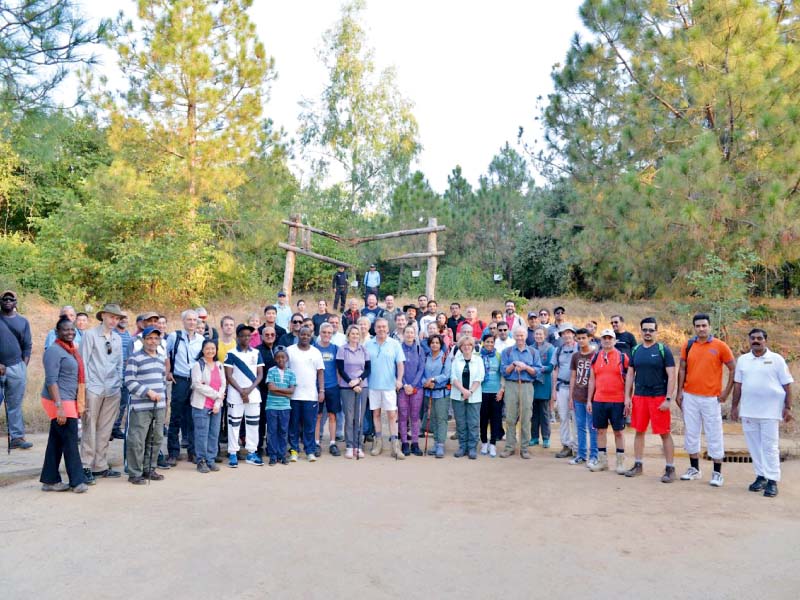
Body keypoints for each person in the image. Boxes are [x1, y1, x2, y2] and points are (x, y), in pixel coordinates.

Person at [732, 329, 794, 498]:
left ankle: (772, 481)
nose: (756, 341)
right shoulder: (743, 360)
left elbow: (787, 385)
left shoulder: (776, 360)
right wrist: (734, 407)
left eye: (759, 338)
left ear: (766, 340)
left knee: (770, 447)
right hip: (749, 411)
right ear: (749, 340)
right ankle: (761, 476)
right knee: (754, 447)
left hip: (770, 411)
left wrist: (788, 408)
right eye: (753, 338)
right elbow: (737, 385)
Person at [676, 313, 735, 487]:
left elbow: (732, 368)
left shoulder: (720, 346)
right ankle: (694, 469)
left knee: (714, 433)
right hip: (690, 396)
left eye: (704, 325)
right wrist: (679, 392)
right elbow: (682, 369)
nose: (701, 329)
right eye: (698, 326)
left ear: (710, 327)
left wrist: (726, 392)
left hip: (711, 398)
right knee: (691, 433)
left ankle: (717, 473)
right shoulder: (688, 345)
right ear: (694, 327)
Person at [624, 317, 677, 482]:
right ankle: (638, 465)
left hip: (658, 397)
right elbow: (630, 374)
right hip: (639, 397)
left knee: (664, 433)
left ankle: (670, 468)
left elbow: (671, 375)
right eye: (645, 330)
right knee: (639, 431)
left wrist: (668, 398)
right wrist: (627, 396)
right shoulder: (636, 350)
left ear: (656, 331)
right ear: (640, 331)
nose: (647, 333)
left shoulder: (663, 350)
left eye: (651, 330)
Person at [39, 317, 88, 493]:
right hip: (58, 400)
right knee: (70, 440)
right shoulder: (53, 351)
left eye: (72, 329)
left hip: (68, 399)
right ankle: (77, 481)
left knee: (57, 441)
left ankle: (50, 480)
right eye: (65, 330)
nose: (70, 332)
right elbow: (51, 380)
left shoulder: (70, 350)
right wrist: (59, 406)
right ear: (57, 332)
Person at [79, 303, 124, 483]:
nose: (114, 320)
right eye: (111, 316)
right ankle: (85, 465)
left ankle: (100, 465)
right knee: (90, 426)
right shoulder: (90, 335)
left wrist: (118, 382)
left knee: (105, 429)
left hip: (112, 389)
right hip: (94, 387)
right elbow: (83, 362)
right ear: (103, 316)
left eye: (117, 318)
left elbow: (120, 363)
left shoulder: (118, 339)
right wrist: (88, 386)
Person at [125, 326, 168, 484]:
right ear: (143, 340)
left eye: (156, 338)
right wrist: (147, 392)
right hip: (141, 406)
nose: (153, 341)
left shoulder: (161, 357)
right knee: (137, 440)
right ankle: (135, 473)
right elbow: (129, 381)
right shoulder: (135, 358)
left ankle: (149, 468)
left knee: (156, 438)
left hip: (159, 405)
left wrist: (162, 399)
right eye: (149, 338)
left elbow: (163, 381)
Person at [586, 329, 630, 474]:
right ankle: (602, 462)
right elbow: (592, 380)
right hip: (599, 400)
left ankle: (620, 462)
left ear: (615, 340)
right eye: (604, 338)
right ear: (601, 340)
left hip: (617, 401)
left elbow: (630, 380)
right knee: (600, 431)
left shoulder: (623, 357)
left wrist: (628, 400)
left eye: (610, 338)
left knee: (619, 432)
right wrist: (589, 400)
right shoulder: (595, 357)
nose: (607, 340)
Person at [165, 309, 204, 466]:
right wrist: (168, 372)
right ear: (183, 321)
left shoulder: (201, 339)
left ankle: (193, 452)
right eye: (189, 319)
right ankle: (173, 453)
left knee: (193, 417)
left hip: (195, 382)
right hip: (179, 380)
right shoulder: (174, 337)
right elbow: (166, 355)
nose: (192, 322)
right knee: (176, 417)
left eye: (194, 320)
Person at [224, 324, 265, 467]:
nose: (246, 338)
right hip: (235, 395)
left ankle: (252, 453)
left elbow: (260, 374)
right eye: (243, 335)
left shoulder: (256, 353)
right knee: (234, 424)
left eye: (249, 335)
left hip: (253, 394)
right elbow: (228, 375)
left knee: (253, 424)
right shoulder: (231, 354)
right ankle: (233, 453)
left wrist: (249, 390)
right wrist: (241, 391)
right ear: (238, 337)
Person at [365, 318, 405, 458]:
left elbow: (400, 364)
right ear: (374, 329)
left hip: (389, 386)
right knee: (375, 414)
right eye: (378, 327)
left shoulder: (395, 344)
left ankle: (395, 445)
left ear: (388, 328)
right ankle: (378, 443)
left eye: (384, 327)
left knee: (392, 415)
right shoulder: (368, 344)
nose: (381, 329)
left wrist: (399, 380)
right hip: (373, 385)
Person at [500, 326, 542, 459]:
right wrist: (513, 365)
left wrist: (525, 367)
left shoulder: (533, 352)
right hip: (511, 385)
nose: (519, 338)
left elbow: (537, 371)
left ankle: (524, 448)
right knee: (510, 417)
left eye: (522, 335)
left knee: (526, 417)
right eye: (517, 335)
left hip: (527, 386)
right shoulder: (507, 352)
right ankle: (509, 447)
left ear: (525, 336)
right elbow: (503, 371)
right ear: (514, 336)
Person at [0, 290, 33, 449]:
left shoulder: (23, 322)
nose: (7, 300)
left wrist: (22, 366)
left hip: (16, 367)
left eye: (11, 298)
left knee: (14, 404)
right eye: (4, 298)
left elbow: (27, 346)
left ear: (15, 303)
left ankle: (17, 438)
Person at [287, 326, 325, 462]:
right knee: (293, 425)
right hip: (293, 395)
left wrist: (321, 391)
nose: (305, 337)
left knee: (310, 425)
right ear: (298, 334)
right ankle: (294, 451)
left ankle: (310, 451)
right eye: (303, 334)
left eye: (308, 335)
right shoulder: (290, 351)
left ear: (311, 336)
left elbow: (320, 372)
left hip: (310, 395)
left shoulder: (316, 352)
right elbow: (285, 370)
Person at [191, 339, 226, 474]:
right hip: (201, 405)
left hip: (216, 406)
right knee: (201, 434)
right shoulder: (198, 365)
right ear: (203, 350)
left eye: (213, 348)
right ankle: (201, 460)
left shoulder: (219, 365)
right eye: (207, 348)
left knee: (213, 434)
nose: (210, 351)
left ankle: (211, 460)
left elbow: (223, 385)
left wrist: (217, 402)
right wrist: (216, 395)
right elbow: (197, 385)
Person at [336, 325, 371, 459]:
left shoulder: (364, 350)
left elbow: (368, 369)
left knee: (359, 418)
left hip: (362, 386)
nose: (355, 336)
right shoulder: (342, 349)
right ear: (348, 335)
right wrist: (351, 383)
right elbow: (340, 369)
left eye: (357, 334)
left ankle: (358, 446)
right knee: (349, 417)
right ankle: (350, 446)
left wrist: (359, 380)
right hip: (347, 386)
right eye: (352, 333)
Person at [450, 335, 485, 459]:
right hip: (457, 395)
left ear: (472, 346)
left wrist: (470, 391)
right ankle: (462, 446)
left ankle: (472, 448)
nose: (467, 347)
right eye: (464, 345)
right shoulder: (456, 360)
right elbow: (453, 378)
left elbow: (480, 377)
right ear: (460, 347)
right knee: (461, 422)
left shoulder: (478, 360)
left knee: (473, 422)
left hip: (474, 396)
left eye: (469, 345)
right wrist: (463, 390)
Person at [570, 328, 598, 467]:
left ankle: (594, 455)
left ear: (589, 338)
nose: (581, 341)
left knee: (592, 427)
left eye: (583, 338)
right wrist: (571, 397)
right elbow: (573, 376)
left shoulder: (595, 355)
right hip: (578, 395)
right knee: (580, 426)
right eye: (578, 338)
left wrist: (592, 398)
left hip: (592, 397)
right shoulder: (575, 356)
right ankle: (581, 455)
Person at [551, 323, 579, 458]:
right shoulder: (558, 350)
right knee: (563, 417)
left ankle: (578, 447)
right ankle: (566, 445)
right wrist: (553, 391)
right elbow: (555, 370)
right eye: (564, 333)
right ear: (561, 336)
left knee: (576, 418)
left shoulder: (580, 348)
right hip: (562, 387)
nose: (567, 335)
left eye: (569, 332)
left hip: (577, 388)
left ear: (574, 334)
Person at [398, 325, 426, 456]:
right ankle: (404, 443)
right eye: (407, 332)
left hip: (417, 388)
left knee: (415, 417)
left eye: (411, 332)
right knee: (403, 416)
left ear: (415, 334)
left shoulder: (420, 349)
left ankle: (415, 443)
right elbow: (396, 368)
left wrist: (413, 385)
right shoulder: (398, 348)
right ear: (403, 334)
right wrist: (404, 385)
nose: (409, 335)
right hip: (402, 389)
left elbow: (421, 369)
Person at [314, 323, 341, 456]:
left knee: (332, 415)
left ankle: (332, 443)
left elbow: (338, 368)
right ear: (320, 333)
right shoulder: (314, 348)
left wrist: (338, 385)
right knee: (318, 416)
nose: (326, 335)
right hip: (317, 387)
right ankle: (317, 442)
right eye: (324, 332)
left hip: (332, 386)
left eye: (329, 333)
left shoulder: (335, 348)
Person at [423, 334, 452, 458]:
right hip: (429, 392)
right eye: (432, 342)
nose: (434, 345)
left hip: (441, 392)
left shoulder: (445, 357)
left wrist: (433, 380)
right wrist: (425, 382)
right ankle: (435, 443)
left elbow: (446, 375)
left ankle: (440, 444)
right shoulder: (426, 357)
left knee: (441, 418)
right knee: (433, 418)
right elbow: (422, 372)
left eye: (437, 343)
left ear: (441, 345)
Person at [265, 348, 296, 466]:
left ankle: (282, 455)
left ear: (287, 359)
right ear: (275, 359)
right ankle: (273, 456)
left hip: (285, 407)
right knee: (272, 431)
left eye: (283, 357)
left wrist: (281, 390)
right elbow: (271, 389)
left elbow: (292, 390)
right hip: (272, 406)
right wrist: (286, 393)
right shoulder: (271, 371)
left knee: (283, 431)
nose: (280, 359)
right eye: (278, 357)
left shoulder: (291, 373)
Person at [479, 334, 503, 457]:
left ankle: (493, 443)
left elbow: (503, 374)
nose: (489, 344)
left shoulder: (498, 356)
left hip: (496, 393)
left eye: (491, 342)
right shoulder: (478, 356)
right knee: (483, 419)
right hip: (482, 392)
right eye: (487, 342)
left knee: (495, 419)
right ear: (483, 342)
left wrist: (501, 390)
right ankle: (484, 442)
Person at [530, 326, 555, 449]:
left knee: (544, 413)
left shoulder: (550, 348)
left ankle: (546, 438)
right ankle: (534, 437)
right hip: (532, 383)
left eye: (541, 334)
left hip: (544, 383)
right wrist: (534, 369)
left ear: (545, 335)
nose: (538, 336)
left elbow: (550, 367)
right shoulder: (530, 348)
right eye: (536, 334)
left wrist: (537, 369)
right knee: (533, 413)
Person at [111, 314, 133, 440]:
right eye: (122, 318)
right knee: (112, 403)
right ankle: (108, 428)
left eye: (126, 318)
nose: (124, 320)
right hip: (114, 374)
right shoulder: (113, 334)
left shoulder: (129, 335)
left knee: (123, 403)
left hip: (127, 374)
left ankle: (116, 427)